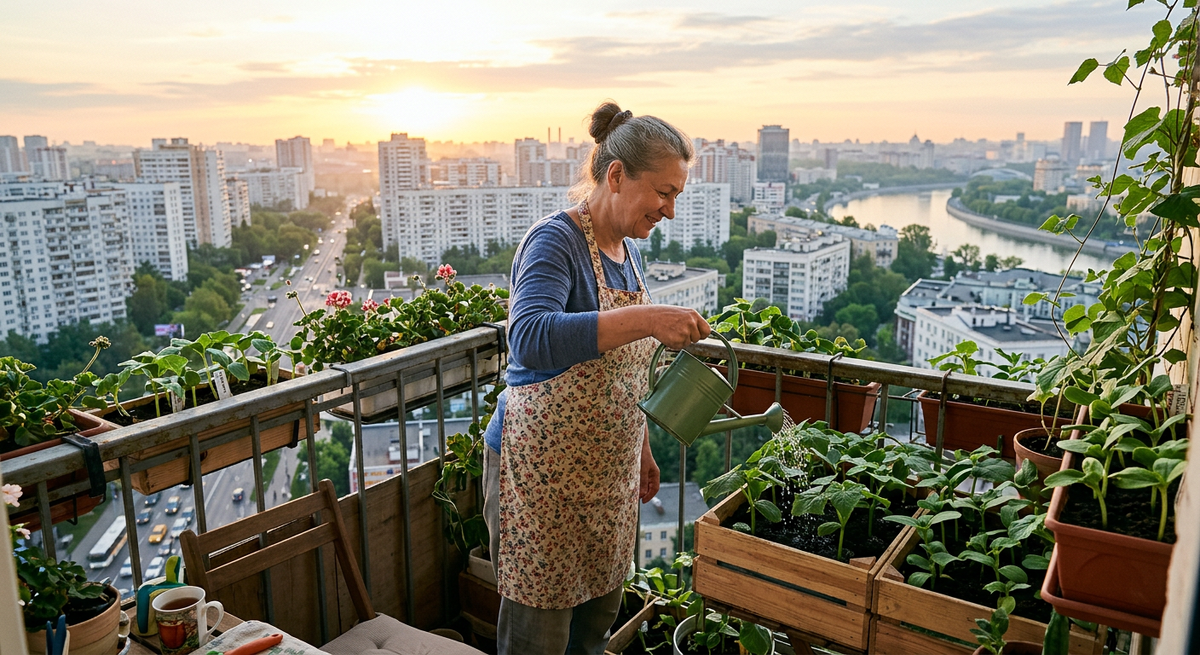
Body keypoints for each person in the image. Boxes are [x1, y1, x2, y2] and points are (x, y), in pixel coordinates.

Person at [481, 102, 711, 654]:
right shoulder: (554, 241)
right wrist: (649, 319)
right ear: (616, 175)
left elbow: (624, 375)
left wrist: (643, 450)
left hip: (609, 480)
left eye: (677, 195)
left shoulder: (629, 255)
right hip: (540, 483)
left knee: (592, 634)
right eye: (663, 192)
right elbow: (529, 336)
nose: (670, 210)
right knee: (538, 640)